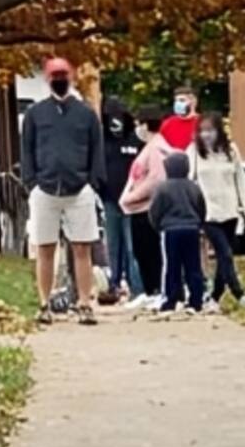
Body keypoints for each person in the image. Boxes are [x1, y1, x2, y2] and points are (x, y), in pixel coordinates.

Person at [20, 56, 105, 324]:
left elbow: (96, 149)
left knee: (82, 247)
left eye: (63, 75)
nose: (59, 80)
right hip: (44, 189)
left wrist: (93, 181)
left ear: (71, 77)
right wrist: (31, 181)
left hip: (79, 189)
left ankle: (84, 303)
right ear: (48, 79)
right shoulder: (35, 114)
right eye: (54, 76)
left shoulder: (86, 114)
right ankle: (44, 303)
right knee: (45, 248)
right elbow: (27, 149)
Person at [189, 111, 245, 308]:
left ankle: (215, 297)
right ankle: (239, 293)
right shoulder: (193, 151)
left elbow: (241, 181)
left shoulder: (231, 150)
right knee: (224, 253)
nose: (206, 135)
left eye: (210, 130)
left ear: (219, 131)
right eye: (202, 131)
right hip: (208, 213)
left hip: (231, 211)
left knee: (223, 258)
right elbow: (189, 180)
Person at [99, 97, 146, 304]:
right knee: (113, 246)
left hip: (132, 202)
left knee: (131, 246)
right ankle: (114, 284)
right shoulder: (102, 141)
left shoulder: (135, 141)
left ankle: (136, 287)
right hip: (110, 200)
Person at [120, 107, 168, 307]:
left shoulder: (156, 148)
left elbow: (156, 178)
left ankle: (156, 289)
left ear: (147, 124)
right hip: (138, 208)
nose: (137, 128)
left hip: (146, 208)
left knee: (150, 251)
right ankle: (149, 290)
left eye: (140, 123)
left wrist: (131, 197)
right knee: (142, 251)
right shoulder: (149, 147)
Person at [149, 152, 208, 315]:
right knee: (193, 265)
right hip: (191, 229)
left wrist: (159, 226)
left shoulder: (162, 188)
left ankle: (171, 299)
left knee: (172, 266)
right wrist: (199, 224)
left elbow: (154, 211)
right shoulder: (193, 187)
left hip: (170, 230)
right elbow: (201, 207)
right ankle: (196, 299)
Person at [161, 86, 200, 153]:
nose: (177, 103)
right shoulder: (168, 123)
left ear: (193, 102)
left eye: (182, 100)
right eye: (176, 101)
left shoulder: (202, 122)